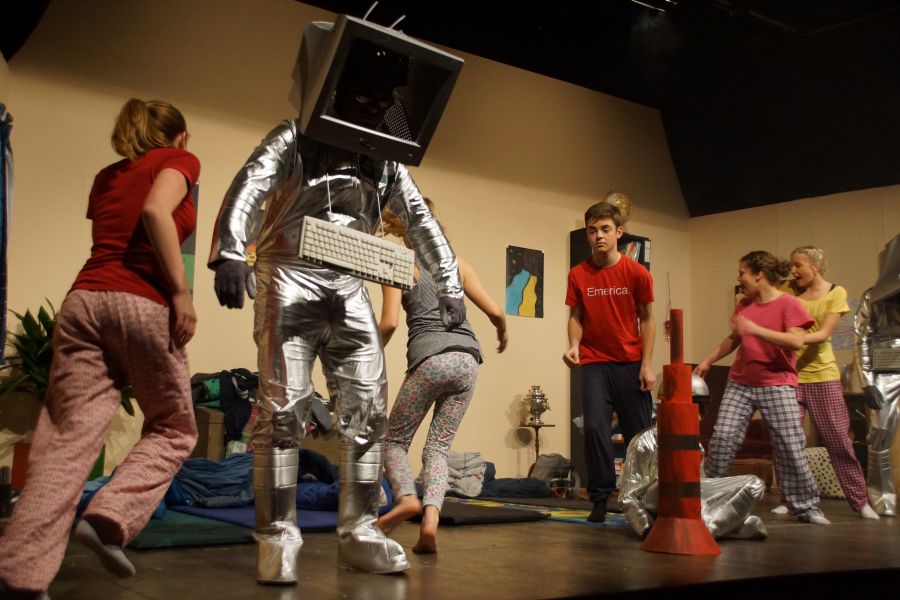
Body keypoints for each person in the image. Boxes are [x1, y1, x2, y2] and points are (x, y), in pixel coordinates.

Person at [207, 36, 464, 580]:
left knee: (368, 408)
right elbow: (249, 186)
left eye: (383, 101)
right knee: (283, 410)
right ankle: (277, 537)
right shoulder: (294, 138)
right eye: (364, 97)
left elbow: (420, 221)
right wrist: (230, 249)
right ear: (335, 92)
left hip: (347, 285)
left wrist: (449, 284)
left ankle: (361, 531)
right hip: (288, 277)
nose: (374, 110)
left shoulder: (385, 160)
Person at [0, 98, 199, 597]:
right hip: (141, 303)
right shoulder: (180, 160)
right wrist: (180, 292)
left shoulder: (106, 177)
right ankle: (109, 518)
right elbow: (154, 210)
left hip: (83, 303)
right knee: (174, 428)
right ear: (179, 136)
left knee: (65, 443)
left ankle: (21, 576)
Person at [374, 200, 508, 554]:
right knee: (438, 448)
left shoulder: (399, 263)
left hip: (431, 359)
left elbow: (389, 323)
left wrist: (367, 352)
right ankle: (430, 524)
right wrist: (502, 330)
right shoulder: (457, 264)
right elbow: (495, 311)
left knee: (395, 442)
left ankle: (406, 499)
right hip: (468, 360)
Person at [694, 250, 829, 524]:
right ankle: (707, 497)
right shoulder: (745, 304)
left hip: (776, 384)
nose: (739, 278)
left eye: (742, 273)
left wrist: (754, 329)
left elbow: (795, 341)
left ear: (758, 274)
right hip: (740, 383)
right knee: (723, 439)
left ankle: (806, 506)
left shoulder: (789, 304)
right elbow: (734, 338)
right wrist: (708, 360)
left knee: (790, 446)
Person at [563, 201, 656, 522]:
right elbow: (575, 316)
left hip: (630, 362)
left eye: (605, 230)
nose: (599, 236)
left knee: (638, 436)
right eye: (593, 231)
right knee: (594, 428)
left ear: (619, 232)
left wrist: (647, 364)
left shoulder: (637, 273)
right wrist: (574, 345)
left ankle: (644, 496)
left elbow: (647, 319)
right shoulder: (578, 274)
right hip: (594, 364)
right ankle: (601, 497)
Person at [772, 246, 877, 519]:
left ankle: (859, 500)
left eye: (798, 265)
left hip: (822, 377)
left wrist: (791, 340)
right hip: (790, 377)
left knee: (838, 440)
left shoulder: (835, 293)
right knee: (787, 441)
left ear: (815, 266)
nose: (794, 271)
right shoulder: (787, 292)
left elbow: (823, 334)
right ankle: (789, 498)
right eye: (792, 265)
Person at [619, 421, 768, 541]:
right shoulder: (644, 440)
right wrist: (648, 528)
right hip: (657, 494)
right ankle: (730, 526)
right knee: (674, 480)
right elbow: (627, 496)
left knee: (754, 483)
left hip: (690, 497)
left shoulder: (694, 443)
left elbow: (699, 489)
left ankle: (710, 529)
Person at [853, 234, 900, 517]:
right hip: (886, 366)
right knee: (880, 431)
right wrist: (867, 382)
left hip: (887, 362)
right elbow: (861, 337)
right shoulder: (872, 296)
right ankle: (882, 498)